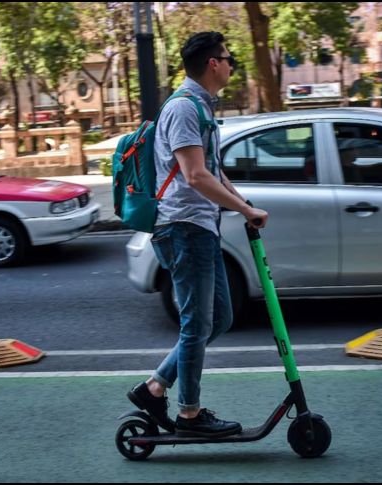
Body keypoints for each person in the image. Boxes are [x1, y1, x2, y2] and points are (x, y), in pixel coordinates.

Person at [127, 32, 268, 439]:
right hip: (183, 229)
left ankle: (154, 388)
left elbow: (214, 172)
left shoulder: (202, 109)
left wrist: (245, 204)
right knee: (195, 324)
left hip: (201, 228)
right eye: (229, 58)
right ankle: (189, 416)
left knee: (218, 318)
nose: (231, 65)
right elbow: (194, 175)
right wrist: (243, 210)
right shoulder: (185, 109)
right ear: (212, 64)